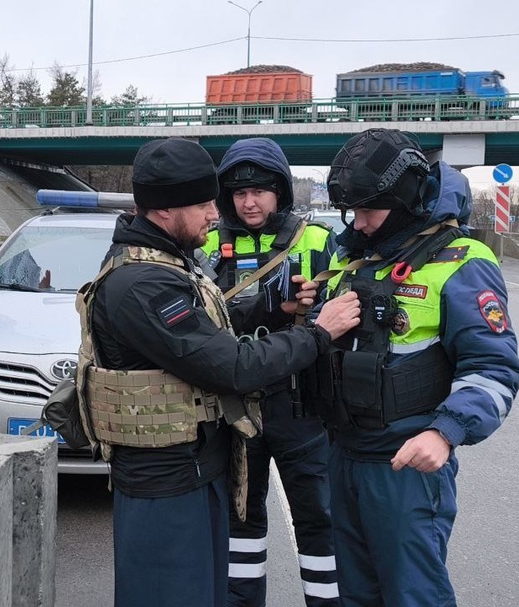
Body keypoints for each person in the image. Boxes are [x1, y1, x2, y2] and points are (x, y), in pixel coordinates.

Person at [80, 137, 361, 607]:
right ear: (167, 210)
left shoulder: (170, 265)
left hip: (194, 466)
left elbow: (210, 332)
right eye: (206, 202)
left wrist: (274, 306)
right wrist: (318, 333)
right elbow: (230, 365)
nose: (219, 212)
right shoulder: (145, 283)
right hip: (167, 482)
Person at [308, 128, 519, 606]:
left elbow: (494, 367)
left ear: (405, 201)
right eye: (353, 212)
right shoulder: (351, 259)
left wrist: (445, 432)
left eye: (368, 211)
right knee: (355, 594)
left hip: (405, 465)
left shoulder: (461, 261)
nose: (359, 223)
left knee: (413, 595)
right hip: (344, 456)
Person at [200, 138, 339, 607]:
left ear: (280, 191)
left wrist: (314, 305)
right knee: (241, 520)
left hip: (304, 410)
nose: (249, 201)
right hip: (240, 413)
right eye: (239, 193)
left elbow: (345, 314)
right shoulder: (211, 246)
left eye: (260, 190)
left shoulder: (317, 240)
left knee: (319, 519)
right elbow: (206, 325)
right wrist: (274, 307)